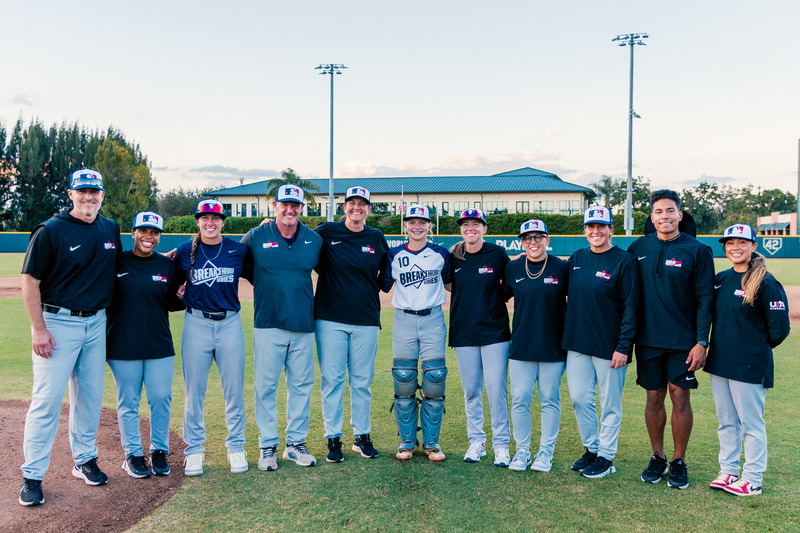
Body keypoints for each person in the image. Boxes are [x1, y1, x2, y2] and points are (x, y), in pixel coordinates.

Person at [19, 169, 121, 507]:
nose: (89, 197)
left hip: (96, 323)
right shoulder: (51, 230)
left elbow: (120, 270)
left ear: (102, 195)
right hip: (57, 323)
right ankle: (32, 475)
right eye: (82, 191)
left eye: (94, 191)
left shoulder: (109, 228)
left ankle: (84, 459)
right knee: (47, 400)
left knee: (90, 397)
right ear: (71, 194)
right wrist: (38, 328)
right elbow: (30, 280)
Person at [628, 189, 714, 489]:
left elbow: (705, 299)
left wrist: (701, 341)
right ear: (652, 217)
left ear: (680, 214)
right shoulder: (638, 247)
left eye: (669, 210)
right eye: (658, 212)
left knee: (679, 396)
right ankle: (657, 456)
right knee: (653, 397)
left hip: (683, 340)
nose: (664, 216)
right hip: (648, 339)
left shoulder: (698, 250)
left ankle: (678, 460)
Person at [241, 184, 322, 470]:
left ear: (301, 208)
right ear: (275, 206)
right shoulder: (257, 235)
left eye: (295, 205)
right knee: (265, 386)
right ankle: (267, 445)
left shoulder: (314, 239)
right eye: (284, 204)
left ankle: (295, 444)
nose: (290, 209)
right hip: (268, 322)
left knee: (301, 386)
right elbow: (234, 260)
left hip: (303, 323)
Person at [704, 224, 790, 496]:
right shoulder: (721, 279)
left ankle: (752, 478)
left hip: (749, 364)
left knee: (751, 424)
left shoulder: (766, 282)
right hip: (720, 362)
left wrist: (753, 348)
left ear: (753, 246)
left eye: (742, 242)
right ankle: (728, 471)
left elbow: (780, 329)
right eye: (730, 243)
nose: (735, 247)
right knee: (726, 421)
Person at [173, 199, 252, 476]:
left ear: (222, 222)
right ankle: (194, 450)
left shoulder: (237, 250)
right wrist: (179, 290)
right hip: (196, 323)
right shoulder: (185, 251)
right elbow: (169, 280)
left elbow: (259, 274)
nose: (210, 222)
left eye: (215, 218)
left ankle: (236, 446)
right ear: (197, 222)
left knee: (234, 390)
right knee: (194, 391)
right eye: (204, 218)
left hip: (230, 323)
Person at [313, 186, 389, 462]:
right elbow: (299, 242)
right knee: (332, 380)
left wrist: (370, 288)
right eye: (352, 203)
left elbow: (386, 272)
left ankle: (361, 436)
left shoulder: (376, 237)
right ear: (343, 207)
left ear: (368, 208)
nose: (357, 207)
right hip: (330, 317)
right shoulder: (327, 231)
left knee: (361, 381)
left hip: (365, 318)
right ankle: (333, 437)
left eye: (362, 203)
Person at [106, 211, 184, 479]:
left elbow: (171, 302)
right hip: (122, 343)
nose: (148, 236)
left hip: (158, 342)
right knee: (128, 401)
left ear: (159, 236)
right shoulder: (117, 261)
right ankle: (133, 455)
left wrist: (181, 296)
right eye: (143, 231)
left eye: (154, 232)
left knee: (161, 398)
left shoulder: (165, 265)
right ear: (133, 233)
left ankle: (159, 451)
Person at [562, 206, 638, 479]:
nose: (596, 231)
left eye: (601, 226)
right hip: (578, 342)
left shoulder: (624, 260)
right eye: (590, 227)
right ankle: (591, 449)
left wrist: (623, 346)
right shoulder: (577, 258)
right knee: (579, 398)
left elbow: (631, 306)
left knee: (610, 403)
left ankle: (606, 456)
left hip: (610, 345)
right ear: (585, 230)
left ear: (610, 229)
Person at [382, 204, 452, 462]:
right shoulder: (393, 255)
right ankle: (407, 442)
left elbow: (452, 283)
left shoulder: (440, 253)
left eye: (422, 222)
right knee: (404, 379)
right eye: (412, 222)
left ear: (429, 226)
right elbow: (381, 284)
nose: (417, 226)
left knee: (435, 378)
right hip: (404, 319)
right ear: (405, 226)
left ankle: (431, 443)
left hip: (433, 318)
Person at [447, 208, 512, 466]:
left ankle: (501, 444)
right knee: (472, 390)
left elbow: (509, 285)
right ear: (461, 229)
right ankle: (476, 441)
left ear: (484, 228)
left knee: (496, 389)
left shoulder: (497, 253)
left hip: (494, 331)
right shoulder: (453, 255)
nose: (470, 228)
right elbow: (448, 284)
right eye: (465, 224)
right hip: (464, 331)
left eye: (476, 224)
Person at [505, 220, 569, 472]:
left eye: (538, 237)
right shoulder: (513, 268)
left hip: (553, 345)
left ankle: (545, 452)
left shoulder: (561, 267)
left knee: (549, 400)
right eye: (527, 238)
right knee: (520, 399)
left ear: (547, 240)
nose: (533, 242)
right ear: (521, 242)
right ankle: (522, 451)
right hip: (522, 345)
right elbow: (497, 297)